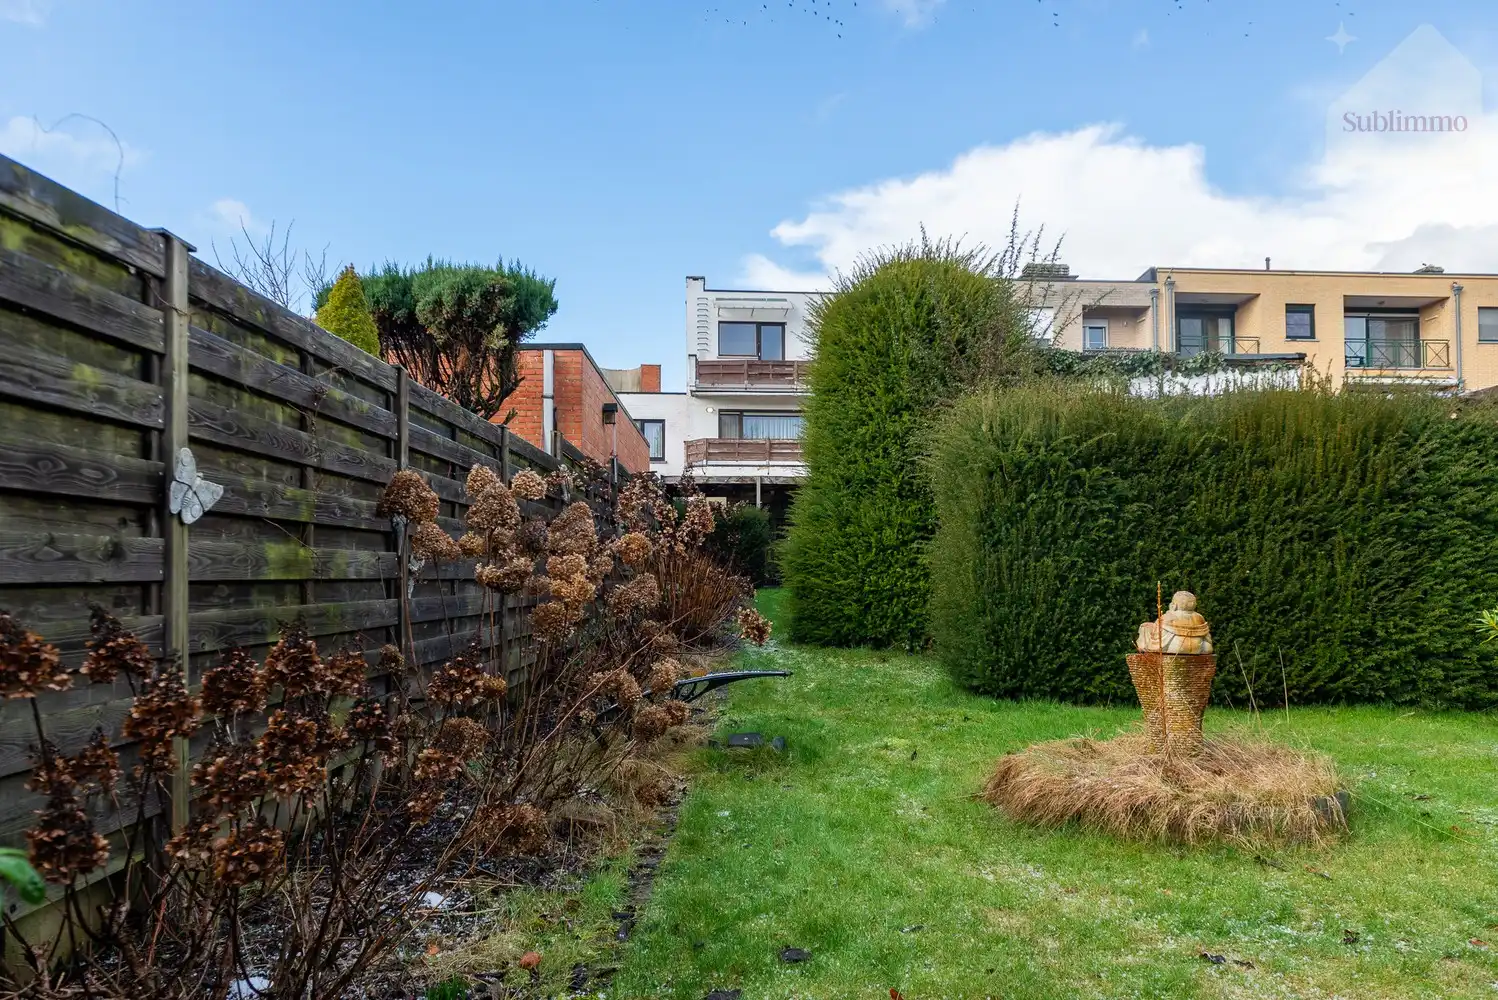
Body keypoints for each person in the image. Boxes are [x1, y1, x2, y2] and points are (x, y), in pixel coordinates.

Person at [1136, 591, 1213, 655]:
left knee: (1145, 627)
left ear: (1174, 604)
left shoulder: (1169, 616)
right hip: (1198, 647)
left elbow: (1157, 634)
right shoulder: (1199, 617)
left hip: (1177, 647)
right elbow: (1207, 637)